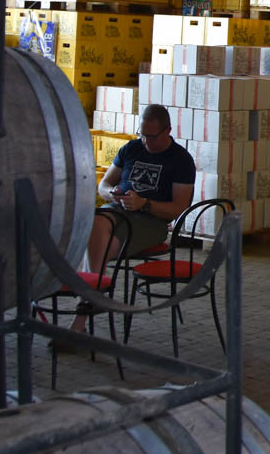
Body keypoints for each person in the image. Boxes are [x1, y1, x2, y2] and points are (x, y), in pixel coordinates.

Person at [83, 104, 195, 328]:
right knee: (95, 221)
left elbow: (178, 208)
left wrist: (145, 203)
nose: (146, 141)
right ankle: (92, 297)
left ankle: (87, 301)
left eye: (151, 137)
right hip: (118, 209)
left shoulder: (181, 160)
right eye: (142, 134)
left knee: (99, 245)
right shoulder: (131, 148)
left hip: (152, 221)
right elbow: (103, 185)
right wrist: (112, 194)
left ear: (167, 131)